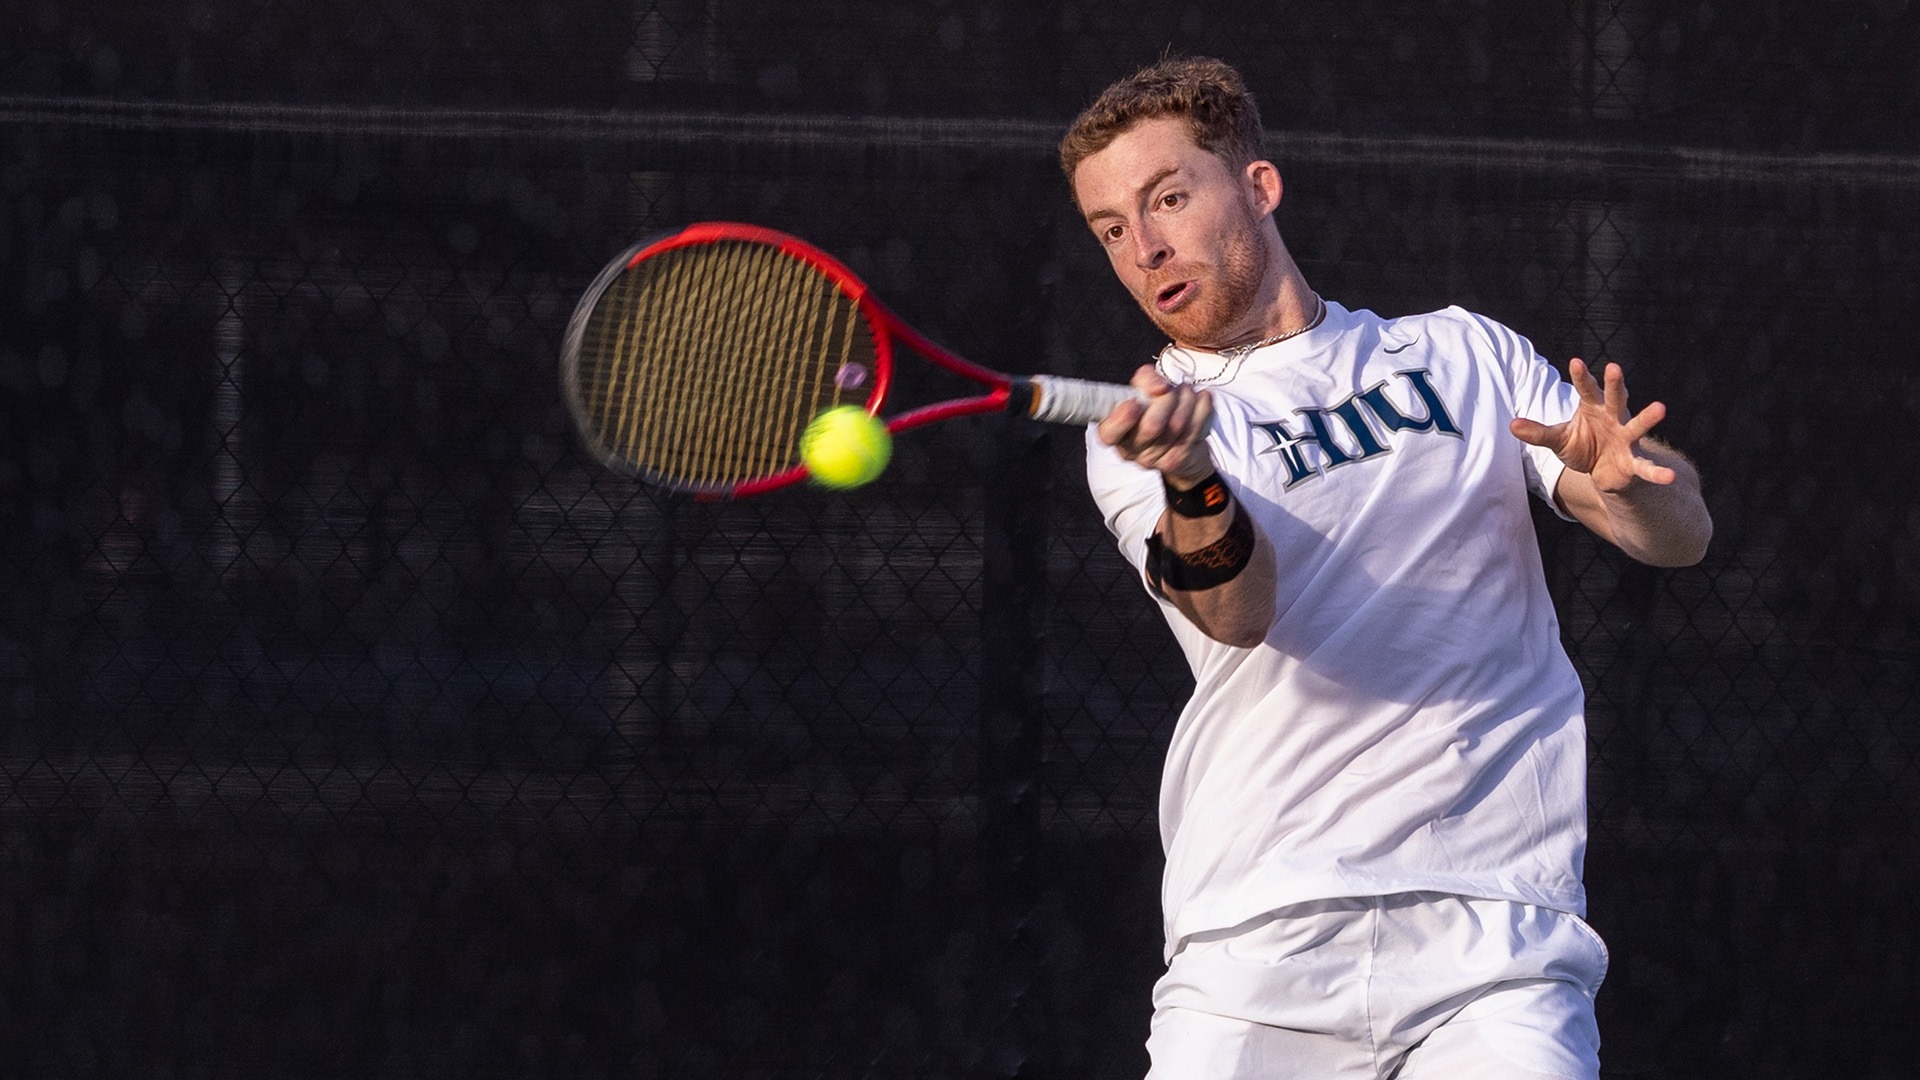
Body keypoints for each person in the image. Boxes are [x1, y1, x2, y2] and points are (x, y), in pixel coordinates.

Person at [1059, 56, 1712, 1079]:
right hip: (1255, 941)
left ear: (1260, 188)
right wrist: (1192, 477)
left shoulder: (1463, 356)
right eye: (1110, 229)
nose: (1144, 248)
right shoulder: (1139, 433)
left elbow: (1675, 536)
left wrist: (1634, 479)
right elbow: (1236, 610)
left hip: (1496, 943)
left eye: (1169, 199)